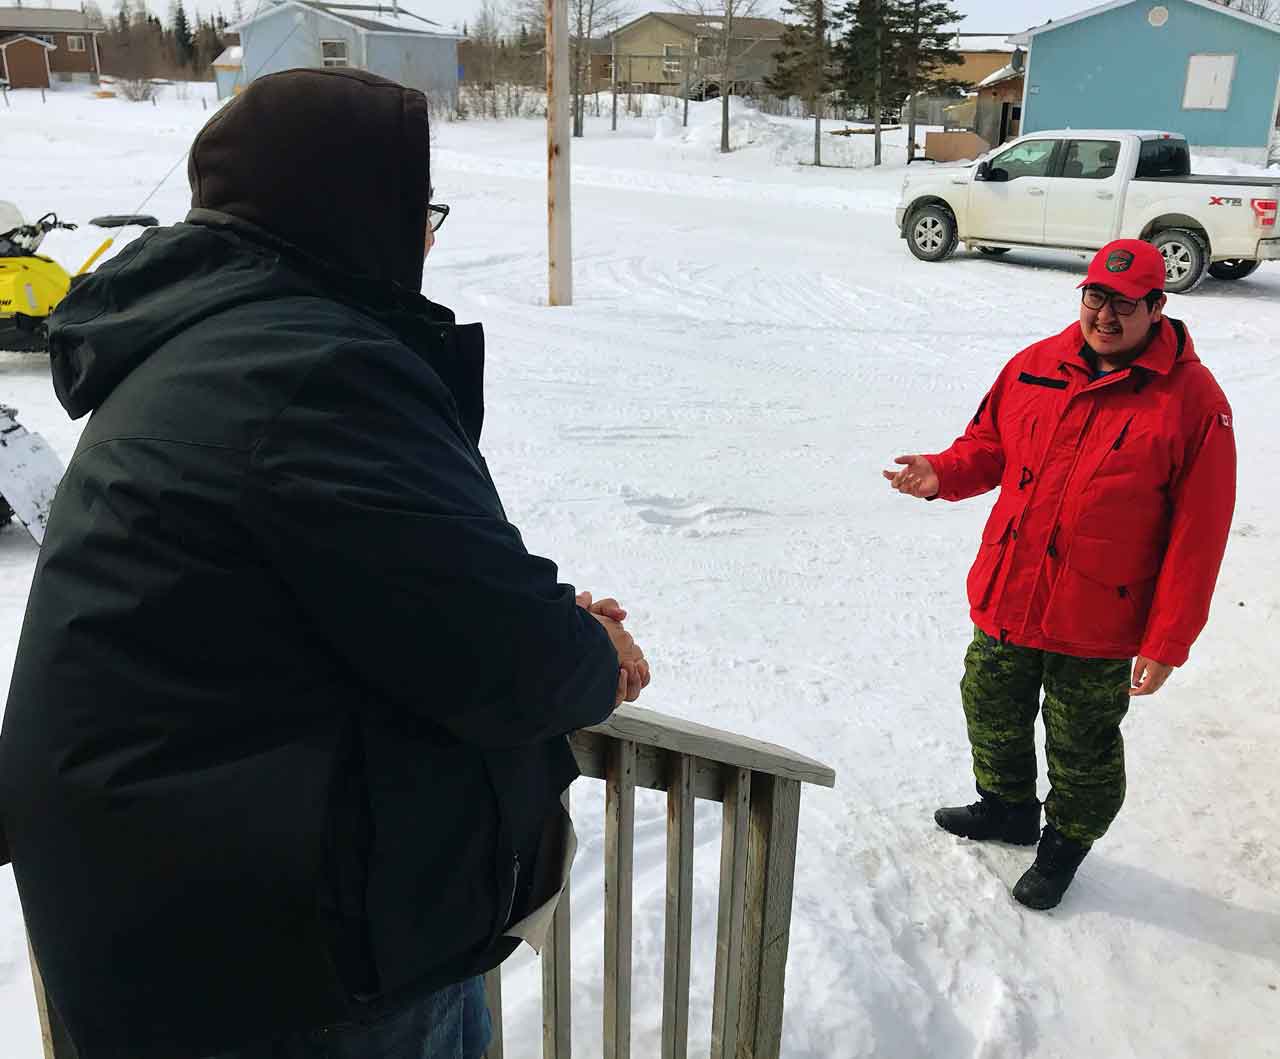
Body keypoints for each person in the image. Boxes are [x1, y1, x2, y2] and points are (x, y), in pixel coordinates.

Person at [0, 68, 649, 1059]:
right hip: (276, 971)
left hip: (172, 926)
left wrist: (543, 615)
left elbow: (370, 580)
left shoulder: (201, 340)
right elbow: (494, 656)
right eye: (416, 209)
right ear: (351, 207)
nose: (427, 239)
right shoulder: (309, 367)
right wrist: (590, 655)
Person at [884, 239, 1235, 910]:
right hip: (1011, 589)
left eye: (1125, 305)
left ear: (1158, 307)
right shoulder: (1036, 365)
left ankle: (1065, 843)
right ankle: (1008, 807)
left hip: (1100, 613)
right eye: (1095, 297)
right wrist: (942, 473)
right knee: (989, 702)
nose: (1105, 315)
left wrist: (1169, 640)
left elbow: (1200, 534)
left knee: (1083, 744)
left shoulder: (1193, 402)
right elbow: (987, 445)